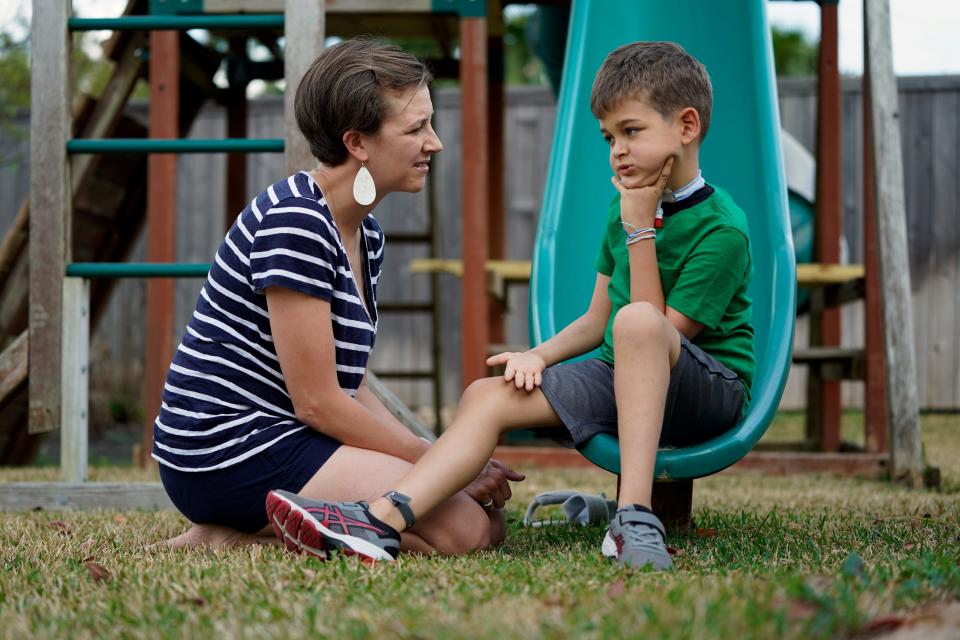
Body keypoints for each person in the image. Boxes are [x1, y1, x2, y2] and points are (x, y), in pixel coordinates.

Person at [267, 41, 755, 570]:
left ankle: (634, 516)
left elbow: (657, 334)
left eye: (631, 132)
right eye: (609, 137)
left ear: (686, 127)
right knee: (488, 394)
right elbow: (598, 320)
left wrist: (641, 229)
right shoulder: (625, 206)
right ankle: (382, 520)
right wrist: (539, 356)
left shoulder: (720, 228)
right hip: (624, 373)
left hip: (706, 390)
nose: (616, 150)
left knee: (638, 322)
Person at [153, 39, 524, 555]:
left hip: (288, 437)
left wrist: (440, 461)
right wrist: (436, 459)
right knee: (465, 530)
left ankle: (256, 530)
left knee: (487, 518)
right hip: (228, 449)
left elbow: (348, 385)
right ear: (358, 143)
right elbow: (319, 402)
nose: (434, 143)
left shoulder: (364, 234)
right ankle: (237, 536)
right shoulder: (297, 224)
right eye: (416, 128)